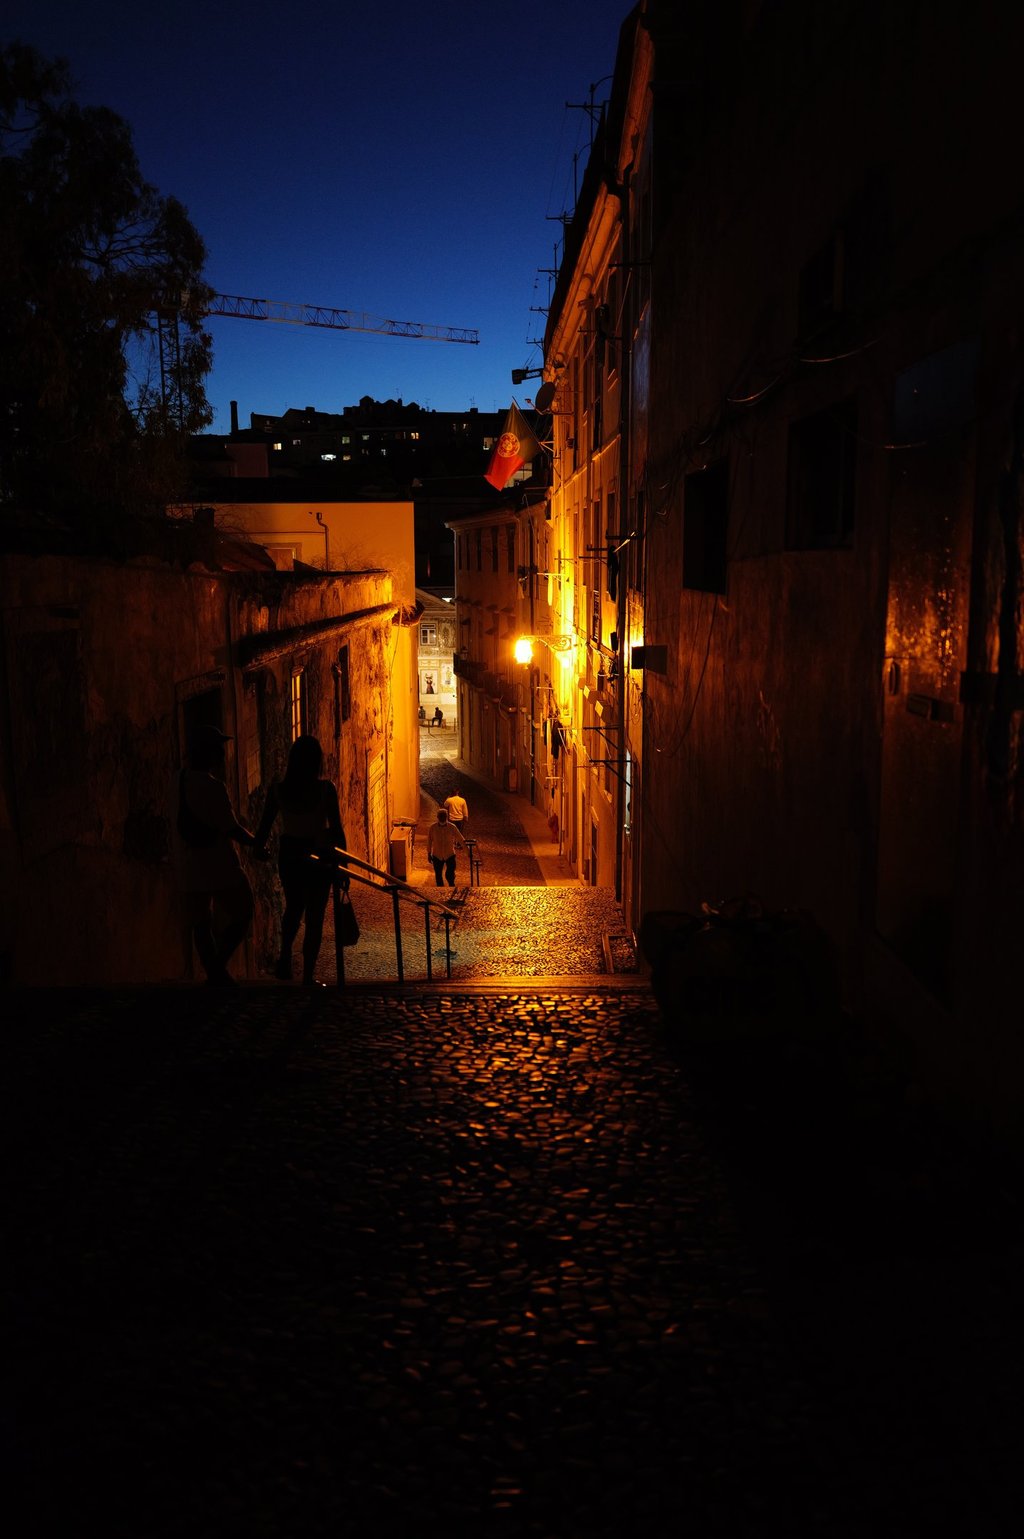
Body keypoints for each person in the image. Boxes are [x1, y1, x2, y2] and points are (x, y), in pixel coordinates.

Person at [254, 735, 346, 987]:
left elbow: (263, 830)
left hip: (290, 854)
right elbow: (337, 829)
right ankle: (307, 976)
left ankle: (285, 956)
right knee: (315, 917)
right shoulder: (326, 790)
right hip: (318, 855)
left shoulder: (278, 791)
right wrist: (344, 866)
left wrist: (258, 849)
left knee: (293, 907)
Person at [177, 724, 263, 986]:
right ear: (209, 753)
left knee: (200, 922)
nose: (222, 754)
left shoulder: (178, 781)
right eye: (218, 749)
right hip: (217, 863)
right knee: (244, 909)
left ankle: (215, 974)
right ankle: (216, 969)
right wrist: (258, 844)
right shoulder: (214, 787)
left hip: (189, 865)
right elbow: (232, 828)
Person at [426, 807, 465, 888]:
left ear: (446, 817)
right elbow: (429, 841)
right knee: (438, 874)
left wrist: (468, 851)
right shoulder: (432, 828)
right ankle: (440, 890)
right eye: (441, 816)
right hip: (437, 854)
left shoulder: (452, 827)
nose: (442, 818)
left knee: (450, 872)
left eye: (444, 816)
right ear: (438, 817)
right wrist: (429, 853)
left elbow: (460, 839)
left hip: (449, 854)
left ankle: (451, 884)